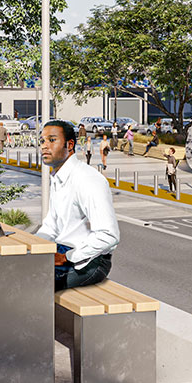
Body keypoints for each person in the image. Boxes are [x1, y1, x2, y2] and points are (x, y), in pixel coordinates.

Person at [37, 120, 119, 290]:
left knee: (32, 286)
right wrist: (33, 248)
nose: (45, 146)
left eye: (52, 140)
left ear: (70, 144)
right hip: (61, 250)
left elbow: (109, 235)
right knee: (11, 271)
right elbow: (51, 225)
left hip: (90, 262)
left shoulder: (87, 179)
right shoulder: (58, 178)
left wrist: (67, 257)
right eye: (42, 141)